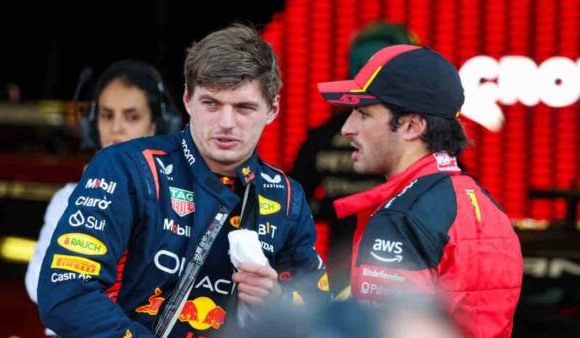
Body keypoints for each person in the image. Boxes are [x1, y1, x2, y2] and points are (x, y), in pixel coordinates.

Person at [37, 24, 328, 338]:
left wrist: (276, 301)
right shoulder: (127, 168)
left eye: (244, 107)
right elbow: (66, 294)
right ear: (188, 100)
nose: (226, 123)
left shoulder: (285, 197)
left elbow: (324, 318)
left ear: (272, 110)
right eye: (211, 104)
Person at [317, 44, 523, 337]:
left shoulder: (401, 217)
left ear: (412, 126)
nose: (347, 128)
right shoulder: (484, 203)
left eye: (363, 114)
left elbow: (385, 330)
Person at [25, 59, 184, 335]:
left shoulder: (181, 202)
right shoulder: (69, 198)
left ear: (159, 126)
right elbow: (40, 284)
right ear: (92, 123)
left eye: (132, 117)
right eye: (107, 115)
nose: (116, 128)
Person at [290, 21, 416, 294]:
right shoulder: (325, 136)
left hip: (406, 281)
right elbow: (289, 202)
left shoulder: (419, 135)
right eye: (361, 66)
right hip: (346, 276)